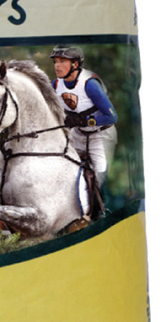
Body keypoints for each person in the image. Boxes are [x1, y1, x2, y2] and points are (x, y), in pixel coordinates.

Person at [49, 45, 117, 207]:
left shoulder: (90, 85)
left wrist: (84, 121)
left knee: (99, 173)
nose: (57, 66)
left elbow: (112, 117)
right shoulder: (56, 84)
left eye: (62, 61)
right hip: (78, 133)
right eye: (56, 61)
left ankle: (102, 210)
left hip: (101, 134)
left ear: (75, 64)